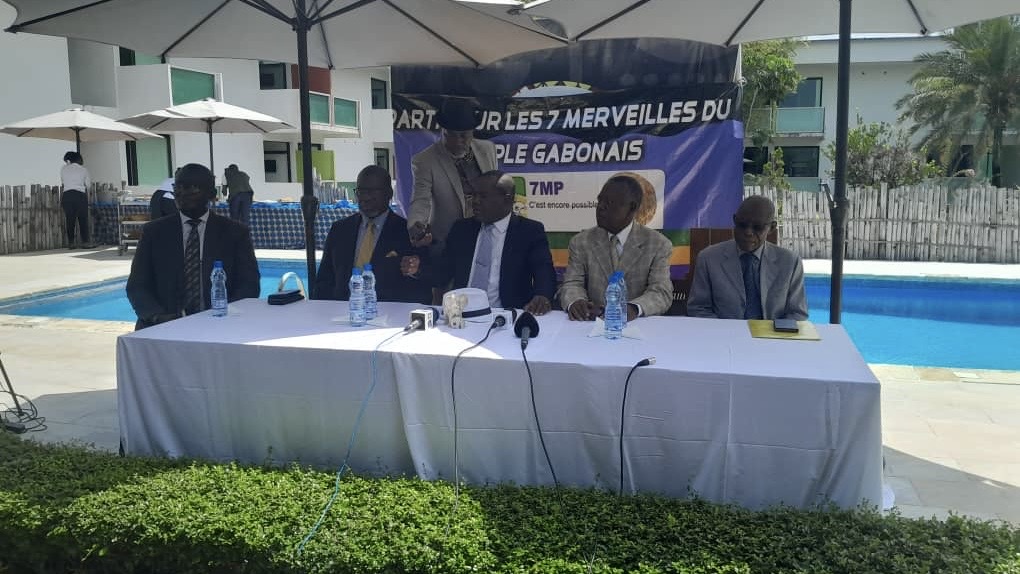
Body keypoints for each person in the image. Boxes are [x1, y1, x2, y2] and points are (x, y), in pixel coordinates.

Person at [126, 163, 260, 330]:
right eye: (179, 187)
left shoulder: (234, 233)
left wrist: (223, 317)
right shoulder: (154, 232)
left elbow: (249, 285)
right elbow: (137, 285)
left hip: (220, 326)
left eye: (192, 187)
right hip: (162, 326)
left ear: (211, 194)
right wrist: (157, 317)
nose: (182, 193)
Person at [435, 170, 556, 314]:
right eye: (473, 195)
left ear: (507, 199)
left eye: (483, 196)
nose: (475, 201)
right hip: (460, 314)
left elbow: (543, 270)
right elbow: (442, 273)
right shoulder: (461, 229)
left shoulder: (529, 231)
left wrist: (542, 295)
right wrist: (417, 267)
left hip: (507, 314)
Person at [559, 176, 673, 321]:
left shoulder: (657, 244)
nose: (601, 207)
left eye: (609, 202)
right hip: (591, 324)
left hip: (636, 326)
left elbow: (661, 293)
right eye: (600, 200)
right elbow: (572, 283)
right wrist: (576, 301)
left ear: (632, 207)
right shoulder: (581, 242)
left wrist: (633, 308)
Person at [314, 165, 430, 304]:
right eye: (360, 191)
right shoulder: (340, 230)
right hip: (343, 311)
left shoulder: (406, 233)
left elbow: (423, 286)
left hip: (388, 312)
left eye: (371, 191)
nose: (365, 197)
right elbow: (324, 280)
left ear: (389, 193)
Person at [687, 195, 808, 320]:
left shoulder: (790, 262)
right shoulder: (708, 258)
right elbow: (698, 308)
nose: (748, 232)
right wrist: (724, 330)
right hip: (723, 331)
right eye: (742, 225)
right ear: (734, 220)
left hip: (772, 331)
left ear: (771, 228)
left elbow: (797, 313)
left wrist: (774, 332)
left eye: (757, 227)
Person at [406, 98, 498, 257]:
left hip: (486, 239)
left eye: (463, 135)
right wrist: (416, 224)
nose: (458, 141)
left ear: (472, 131)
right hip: (447, 244)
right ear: (443, 131)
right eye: (451, 135)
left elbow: (495, 190)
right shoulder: (424, 160)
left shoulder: (488, 149)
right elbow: (421, 199)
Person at [59, 151, 91, 248]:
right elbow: (88, 185)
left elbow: (63, 181)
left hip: (67, 196)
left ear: (69, 160)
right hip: (79, 195)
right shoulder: (83, 170)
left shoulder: (63, 169)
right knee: (83, 219)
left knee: (70, 219)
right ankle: (85, 242)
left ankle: (71, 243)